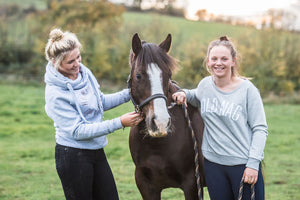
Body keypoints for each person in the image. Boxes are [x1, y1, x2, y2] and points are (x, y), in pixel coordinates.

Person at [44, 28, 143, 200]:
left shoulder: (84, 73)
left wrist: (132, 92)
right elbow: (78, 131)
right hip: (72, 156)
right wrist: (120, 122)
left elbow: (100, 103)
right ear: (55, 62)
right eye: (70, 62)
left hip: (96, 151)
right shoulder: (55, 93)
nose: (77, 64)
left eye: (78, 57)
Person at [172, 36, 268, 200]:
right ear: (208, 62)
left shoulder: (247, 90)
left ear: (233, 61)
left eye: (224, 59)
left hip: (242, 165)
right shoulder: (205, 85)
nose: (219, 63)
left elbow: (260, 129)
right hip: (213, 165)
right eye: (214, 58)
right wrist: (183, 93)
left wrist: (253, 164)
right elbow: (196, 95)